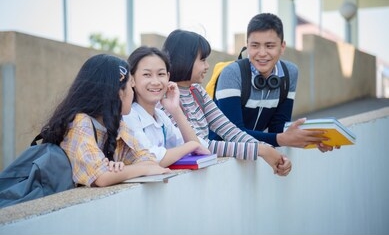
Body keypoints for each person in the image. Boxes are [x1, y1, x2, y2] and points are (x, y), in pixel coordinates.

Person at [161, 29, 292, 176]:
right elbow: (202, 146)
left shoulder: (197, 91)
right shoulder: (166, 98)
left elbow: (231, 131)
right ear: (184, 59)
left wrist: (270, 151)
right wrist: (260, 150)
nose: (207, 66)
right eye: (202, 60)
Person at [39, 54, 171, 187]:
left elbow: (148, 159)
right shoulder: (80, 123)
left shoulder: (117, 123)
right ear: (119, 93)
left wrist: (120, 169)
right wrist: (142, 169)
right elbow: (101, 177)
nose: (133, 92)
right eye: (130, 86)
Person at [213, 13, 338, 152]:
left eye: (269, 46)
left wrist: (315, 140)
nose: (262, 53)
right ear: (247, 46)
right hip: (217, 156)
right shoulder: (231, 73)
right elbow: (232, 134)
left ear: (282, 47)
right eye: (255, 46)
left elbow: (278, 128)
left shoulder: (290, 73)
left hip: (252, 155)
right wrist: (281, 139)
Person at [123, 46, 210, 167]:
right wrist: (190, 146)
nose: (156, 82)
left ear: (168, 77)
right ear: (132, 79)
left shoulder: (160, 116)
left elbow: (200, 147)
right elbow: (150, 158)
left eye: (161, 74)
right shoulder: (128, 116)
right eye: (147, 75)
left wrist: (175, 110)